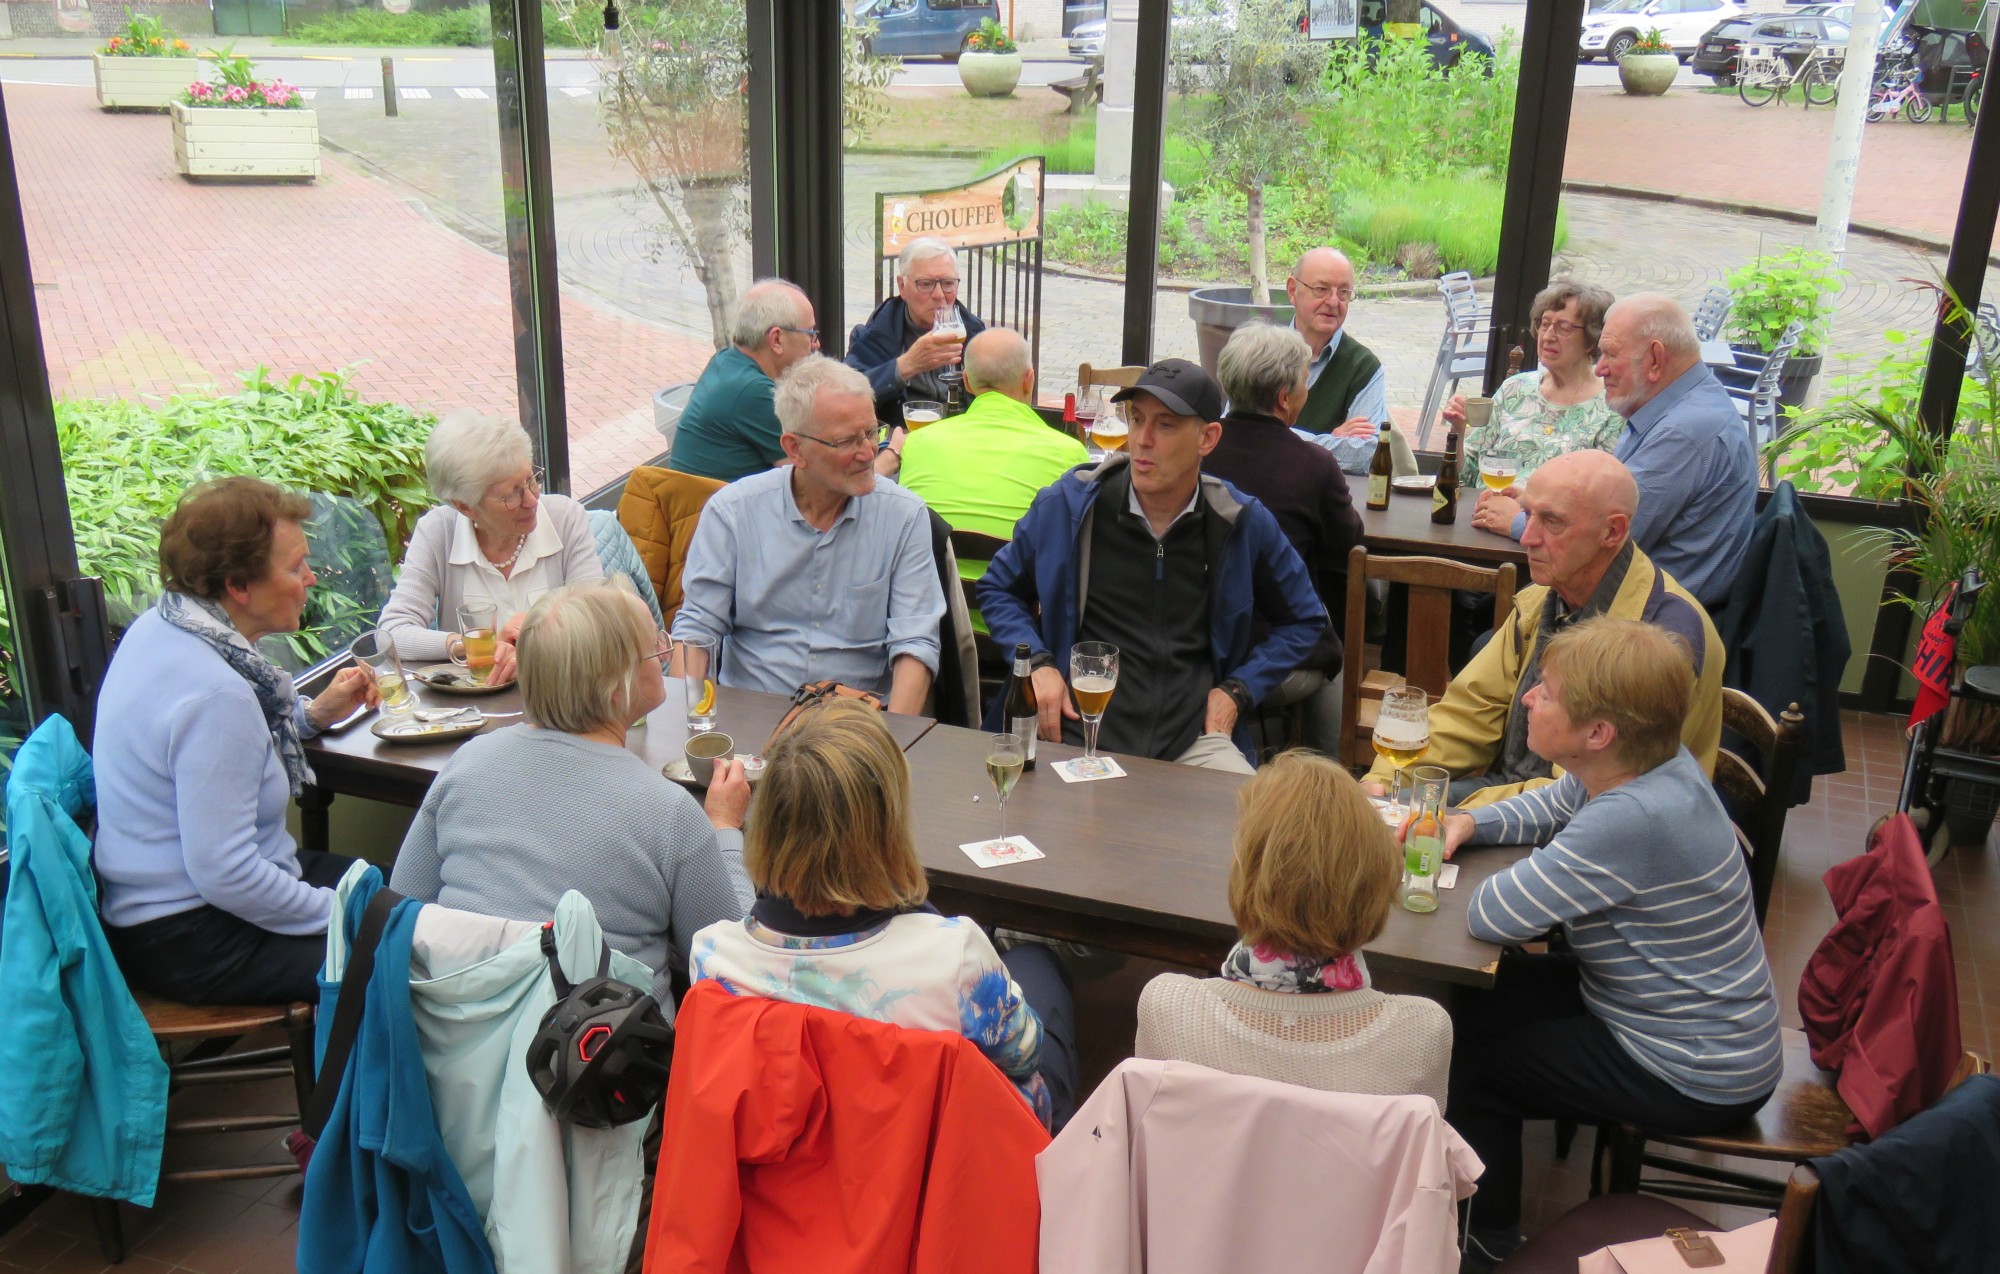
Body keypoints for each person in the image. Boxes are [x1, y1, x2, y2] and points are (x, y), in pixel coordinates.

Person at [1436, 617, 1781, 1268]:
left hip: (1694, 1068)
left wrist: (1507, 864)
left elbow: (1492, 915)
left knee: (1479, 1069)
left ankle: (1485, 1246)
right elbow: (1552, 803)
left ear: (1599, 733)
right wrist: (1467, 821)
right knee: (1471, 1003)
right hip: (1679, 1018)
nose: (1530, 697)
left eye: (1547, 690)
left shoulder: (1632, 818)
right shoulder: (1652, 763)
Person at [689, 699, 1078, 1129]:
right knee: (1038, 966)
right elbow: (1024, 1055)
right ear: (887, 827)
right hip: (933, 1168)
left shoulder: (713, 958)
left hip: (799, 1170)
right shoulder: (954, 956)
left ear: (766, 822)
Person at [389, 579, 752, 1001]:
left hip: (454, 1048)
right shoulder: (669, 812)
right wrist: (725, 828)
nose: (665, 655)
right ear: (617, 687)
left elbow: (400, 912)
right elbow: (729, 968)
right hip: (602, 1057)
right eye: (655, 647)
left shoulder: (465, 765)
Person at [93, 477, 380, 1005]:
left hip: (166, 913)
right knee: (395, 957)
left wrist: (313, 715)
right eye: (296, 568)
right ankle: (353, 1087)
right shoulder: (215, 695)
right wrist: (343, 919)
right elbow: (226, 875)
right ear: (239, 585)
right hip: (193, 935)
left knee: (384, 889)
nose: (311, 578)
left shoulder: (165, 627)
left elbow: (226, 751)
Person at [978, 358, 1327, 773]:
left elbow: (1306, 620)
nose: (1141, 440)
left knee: (1255, 830)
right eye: (1137, 418)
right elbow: (997, 588)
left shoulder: (1239, 521)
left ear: (1208, 438)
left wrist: (1237, 691)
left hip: (1192, 741)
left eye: (1165, 425)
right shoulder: (1069, 506)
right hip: (1072, 730)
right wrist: (1037, 664)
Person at [1360, 450, 1722, 808]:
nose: (1528, 537)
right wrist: (1385, 785)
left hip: (1600, 835)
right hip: (1522, 798)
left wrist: (1439, 807)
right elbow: (1467, 714)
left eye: (1552, 522)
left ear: (1612, 531)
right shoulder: (1542, 600)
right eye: (1527, 514)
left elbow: (1587, 799)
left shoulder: (1662, 640)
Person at [1135, 750, 1453, 1109]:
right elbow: (1418, 1157)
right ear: (1378, 879)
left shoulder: (1166, 1006)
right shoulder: (1423, 1032)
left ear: (1247, 875)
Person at [672, 356, 945, 713]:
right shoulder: (733, 512)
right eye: (847, 441)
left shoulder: (903, 515)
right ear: (794, 449)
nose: (868, 453)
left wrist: (890, 747)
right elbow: (697, 630)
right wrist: (691, 724)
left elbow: (915, 644)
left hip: (856, 727)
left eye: (871, 432)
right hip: (753, 715)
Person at [1203, 323, 1362, 750]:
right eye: (1305, 382)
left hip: (1195, 651)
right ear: (1284, 398)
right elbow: (1346, 545)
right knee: (1334, 647)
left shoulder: (1195, 450)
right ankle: (1327, 770)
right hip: (1272, 659)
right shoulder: (1313, 465)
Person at [378, 410, 601, 686]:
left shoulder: (565, 519)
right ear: (465, 506)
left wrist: (537, 637)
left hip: (562, 699)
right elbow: (392, 633)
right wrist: (473, 645)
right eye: (511, 495)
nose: (532, 500)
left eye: (531, 480)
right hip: (472, 712)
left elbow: (598, 620)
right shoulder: (438, 532)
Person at [1593, 292, 1758, 610]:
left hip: (1652, 630)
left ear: (1655, 360)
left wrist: (1518, 522)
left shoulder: (1686, 432)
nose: (1600, 369)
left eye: (1610, 355)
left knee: (1488, 637)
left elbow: (1602, 541)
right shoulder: (1677, 405)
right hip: (1643, 605)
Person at [1443, 279, 1623, 544]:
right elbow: (1466, 474)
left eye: (1563, 327)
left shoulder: (1609, 409)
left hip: (1545, 546)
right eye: (1544, 323)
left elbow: (1593, 503)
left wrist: (1524, 510)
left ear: (1591, 339)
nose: (1548, 335)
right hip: (1479, 528)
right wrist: (1457, 431)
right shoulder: (1515, 388)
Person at [666, 278, 823, 483]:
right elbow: (811, 483)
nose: (817, 344)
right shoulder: (753, 392)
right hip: (714, 513)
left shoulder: (725, 360)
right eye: (811, 334)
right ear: (776, 340)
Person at [1283, 247, 1415, 476]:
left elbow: (1366, 454)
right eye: (1321, 289)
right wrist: (1330, 442)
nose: (1333, 302)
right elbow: (1234, 430)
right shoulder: (1261, 352)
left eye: (1343, 292)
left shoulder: (1363, 367)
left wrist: (1277, 436)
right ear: (1293, 290)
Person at [845, 237, 987, 423]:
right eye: (925, 284)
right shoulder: (877, 334)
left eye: (948, 283)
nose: (938, 295)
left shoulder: (974, 332)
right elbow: (846, 395)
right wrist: (905, 366)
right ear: (902, 287)